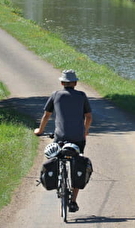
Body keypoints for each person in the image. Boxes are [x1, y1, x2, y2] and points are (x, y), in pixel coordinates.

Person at [34, 69, 92, 213]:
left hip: (60, 138)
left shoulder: (56, 95)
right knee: (77, 163)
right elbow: (89, 117)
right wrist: (84, 132)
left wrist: (39, 131)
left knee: (55, 157)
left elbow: (47, 115)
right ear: (75, 83)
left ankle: (57, 180)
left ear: (62, 82)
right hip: (78, 139)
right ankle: (73, 201)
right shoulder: (82, 95)